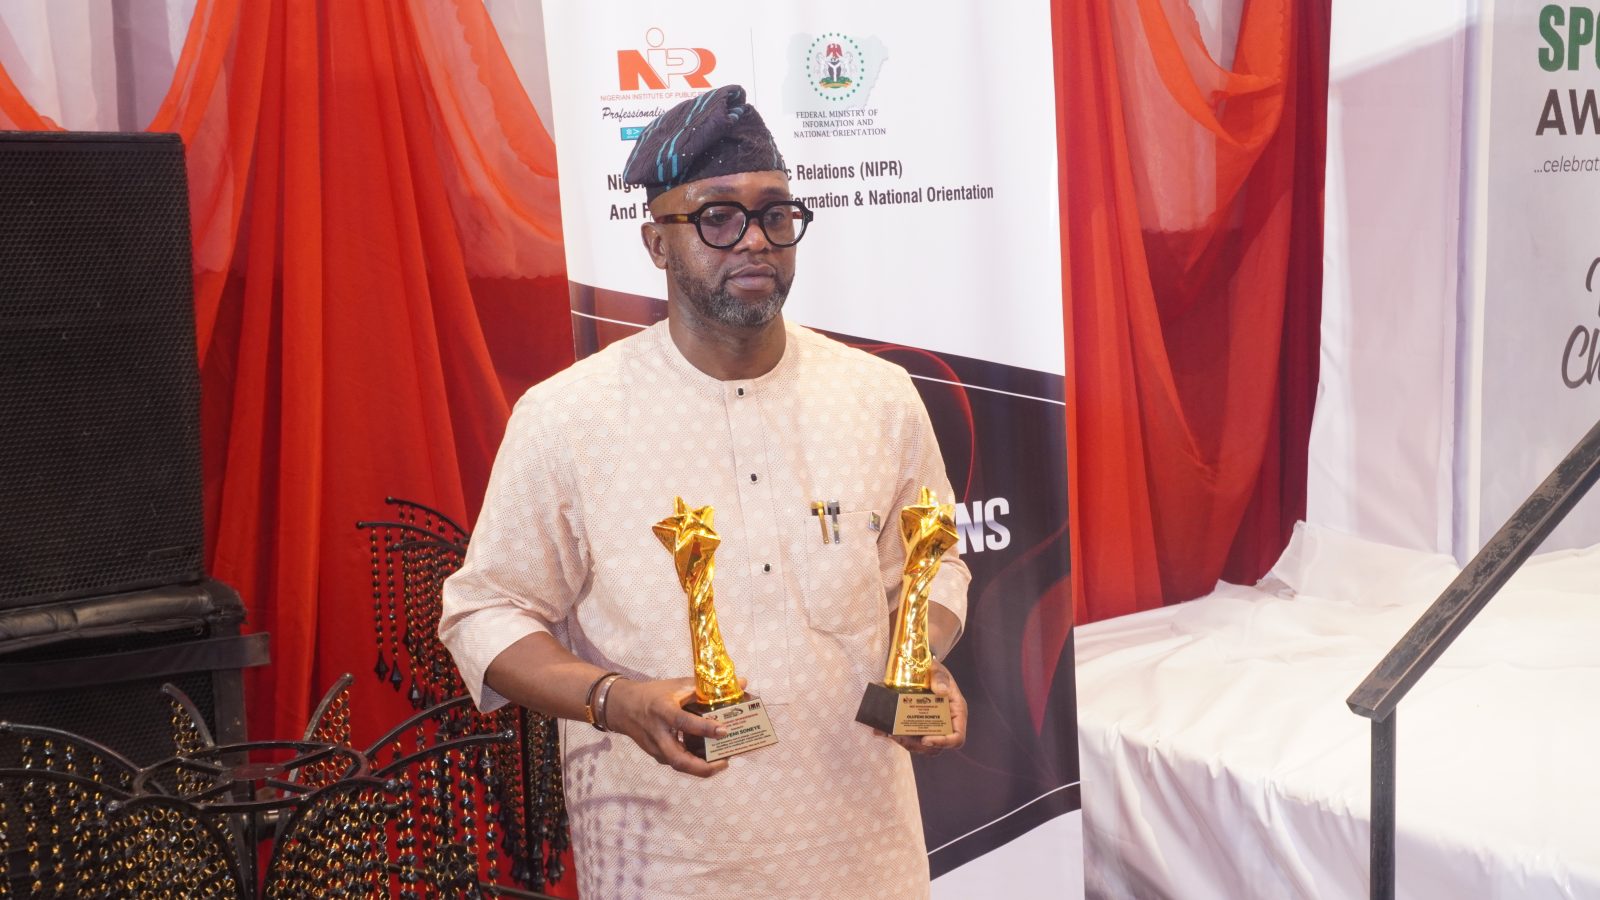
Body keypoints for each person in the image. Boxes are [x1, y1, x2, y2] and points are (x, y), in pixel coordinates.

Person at [439, 84, 970, 900]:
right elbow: (484, 612)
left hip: (866, 852)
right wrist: (614, 701)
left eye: (775, 214)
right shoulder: (568, 418)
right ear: (657, 242)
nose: (754, 240)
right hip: (670, 863)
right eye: (718, 217)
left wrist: (920, 660)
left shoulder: (878, 396)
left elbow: (933, 570)